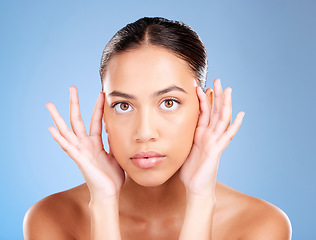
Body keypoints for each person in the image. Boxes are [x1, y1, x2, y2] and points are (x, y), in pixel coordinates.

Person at [23, 17, 292, 240]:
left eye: (169, 102)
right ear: (104, 114)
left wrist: (200, 200)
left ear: (205, 108)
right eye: (123, 106)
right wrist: (103, 203)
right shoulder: (52, 219)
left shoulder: (259, 225)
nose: (145, 132)